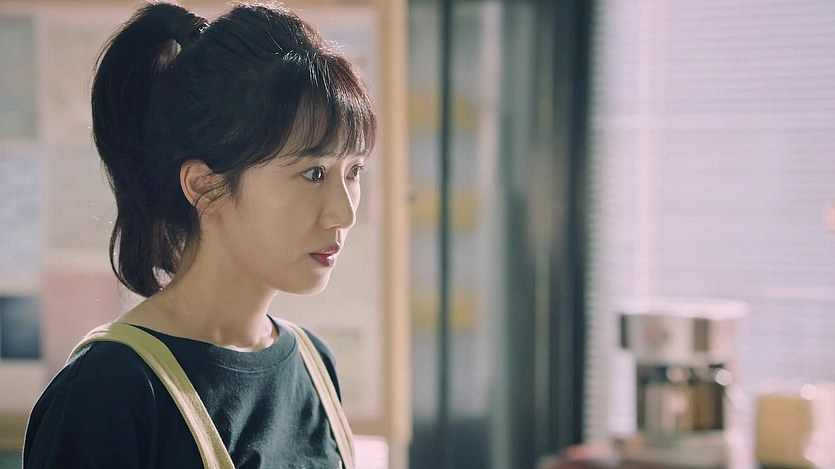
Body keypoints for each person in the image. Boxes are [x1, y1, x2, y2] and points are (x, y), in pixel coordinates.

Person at [23, 1, 375, 467]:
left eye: (353, 171)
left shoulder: (315, 365)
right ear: (204, 186)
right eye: (313, 173)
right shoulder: (109, 389)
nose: (344, 214)